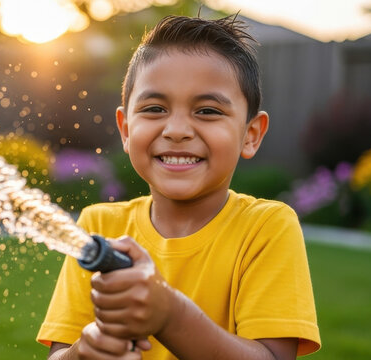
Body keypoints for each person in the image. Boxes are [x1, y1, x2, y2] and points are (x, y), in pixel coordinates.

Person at [37, 14, 321, 360]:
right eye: (155, 108)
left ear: (251, 135)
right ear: (126, 130)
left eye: (207, 111)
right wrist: (86, 352)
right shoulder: (99, 229)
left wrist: (170, 314)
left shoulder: (266, 228)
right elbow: (61, 353)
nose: (177, 129)